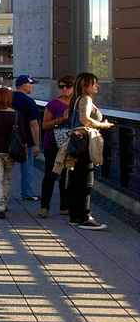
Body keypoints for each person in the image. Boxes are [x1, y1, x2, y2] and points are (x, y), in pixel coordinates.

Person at [64, 73, 113, 230]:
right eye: (94, 83)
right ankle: (85, 217)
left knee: (75, 180)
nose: (97, 86)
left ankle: (74, 216)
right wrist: (102, 125)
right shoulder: (86, 99)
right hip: (84, 145)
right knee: (85, 181)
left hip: (76, 143)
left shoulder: (76, 99)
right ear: (85, 86)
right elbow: (85, 120)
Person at [0, 87, 28, 219]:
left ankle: (0, 205)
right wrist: (25, 150)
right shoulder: (16, 115)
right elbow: (23, 136)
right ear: (9, 99)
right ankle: (5, 202)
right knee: (7, 177)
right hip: (10, 151)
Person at [39, 75, 76, 218]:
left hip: (71, 144)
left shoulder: (79, 103)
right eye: (61, 86)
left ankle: (65, 206)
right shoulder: (53, 104)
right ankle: (44, 206)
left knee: (67, 175)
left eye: (68, 86)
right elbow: (45, 125)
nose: (64, 89)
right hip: (53, 143)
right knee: (51, 174)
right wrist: (62, 119)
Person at [11, 75, 41, 201]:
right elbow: (33, 124)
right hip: (26, 139)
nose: (33, 86)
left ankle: (1, 194)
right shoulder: (29, 102)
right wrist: (37, 144)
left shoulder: (7, 99)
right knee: (27, 168)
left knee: (4, 169)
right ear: (24, 86)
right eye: (31, 84)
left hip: (8, 138)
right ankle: (27, 193)